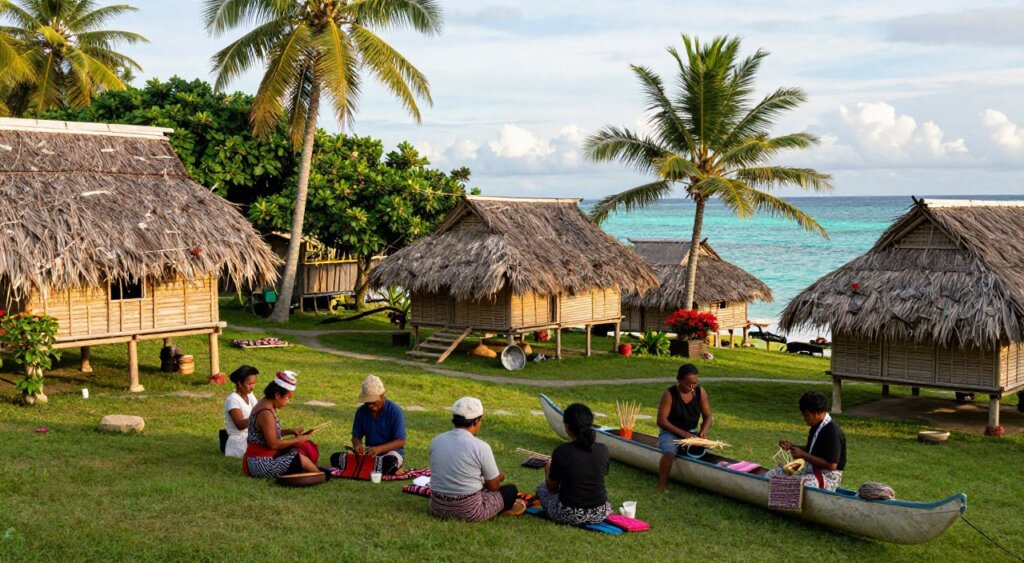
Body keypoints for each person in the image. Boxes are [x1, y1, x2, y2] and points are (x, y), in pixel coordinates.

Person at [428, 397, 526, 521]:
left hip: (437, 506)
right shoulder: (481, 447)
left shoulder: (437, 441)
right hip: (469, 511)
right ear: (476, 421)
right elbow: (493, 486)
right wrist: (500, 476)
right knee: (511, 490)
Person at [536, 403, 612, 525]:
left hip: (570, 513)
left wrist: (548, 468)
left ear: (567, 427)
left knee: (541, 488)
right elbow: (601, 478)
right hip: (600, 512)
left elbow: (552, 487)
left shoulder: (561, 451)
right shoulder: (603, 449)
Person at [243, 371, 322, 479]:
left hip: (260, 459)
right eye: (287, 398)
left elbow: (268, 433)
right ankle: (320, 475)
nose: (288, 402)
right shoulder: (265, 413)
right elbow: (273, 444)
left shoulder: (265, 404)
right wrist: (297, 440)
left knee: (300, 449)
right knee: (299, 457)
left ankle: (311, 471)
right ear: (277, 395)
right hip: (259, 463)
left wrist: (290, 431)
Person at [769, 390, 846, 491]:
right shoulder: (816, 426)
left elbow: (831, 465)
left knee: (796, 485)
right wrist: (792, 446)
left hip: (828, 477)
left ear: (817, 413)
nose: (804, 418)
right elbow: (812, 450)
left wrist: (803, 455)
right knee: (772, 474)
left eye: (806, 415)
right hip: (809, 470)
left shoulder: (833, 432)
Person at [656, 363, 713, 492]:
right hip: (670, 432)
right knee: (669, 453)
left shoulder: (700, 392)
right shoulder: (669, 394)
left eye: (695, 383)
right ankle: (661, 486)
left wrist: (703, 431)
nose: (692, 387)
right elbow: (661, 421)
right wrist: (682, 433)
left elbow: (708, 416)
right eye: (688, 384)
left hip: (692, 432)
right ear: (679, 380)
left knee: (702, 452)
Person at [348, 375, 406, 475]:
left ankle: (380, 467)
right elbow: (355, 437)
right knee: (336, 458)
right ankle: (380, 468)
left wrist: (380, 449)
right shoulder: (361, 411)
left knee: (389, 462)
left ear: (382, 395)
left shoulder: (395, 411)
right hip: (370, 453)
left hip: (391, 453)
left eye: (373, 402)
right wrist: (357, 445)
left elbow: (400, 441)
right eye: (367, 402)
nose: (370, 405)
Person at [222, 365, 259, 458]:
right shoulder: (232, 400)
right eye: (249, 383)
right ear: (239, 383)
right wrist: (258, 417)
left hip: (251, 436)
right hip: (238, 442)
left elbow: (259, 410)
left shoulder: (250, 395)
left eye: (254, 383)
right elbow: (240, 425)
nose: (253, 387)